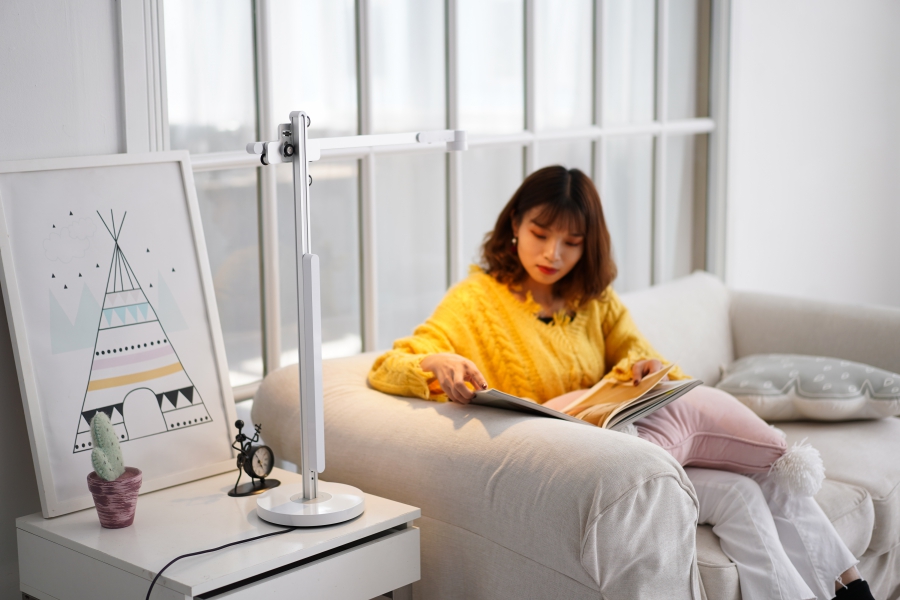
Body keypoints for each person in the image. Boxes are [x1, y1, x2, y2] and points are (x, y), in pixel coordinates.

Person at [368, 166, 874, 600]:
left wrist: (645, 367)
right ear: (514, 224)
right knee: (742, 495)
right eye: (540, 234)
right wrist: (437, 361)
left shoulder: (593, 299)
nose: (553, 254)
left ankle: (854, 590)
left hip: (636, 442)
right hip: (579, 468)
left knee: (763, 481)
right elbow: (389, 364)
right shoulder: (474, 300)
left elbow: (638, 353)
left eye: (571, 243)